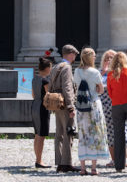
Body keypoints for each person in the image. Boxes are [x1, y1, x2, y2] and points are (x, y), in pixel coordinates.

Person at [74, 47, 108, 175]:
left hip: (81, 107)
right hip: (94, 104)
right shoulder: (95, 72)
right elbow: (101, 90)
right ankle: (93, 168)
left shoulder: (76, 71)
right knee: (95, 134)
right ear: (90, 57)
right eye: (93, 55)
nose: (95, 57)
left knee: (83, 134)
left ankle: (83, 168)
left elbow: (76, 86)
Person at [107, 51, 127, 173]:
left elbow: (109, 92)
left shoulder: (111, 74)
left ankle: (119, 165)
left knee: (118, 134)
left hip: (116, 106)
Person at [49, 44, 80, 173]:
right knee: (68, 133)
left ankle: (60, 162)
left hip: (57, 103)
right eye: (75, 55)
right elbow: (67, 88)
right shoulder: (66, 67)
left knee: (59, 133)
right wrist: (71, 107)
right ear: (70, 54)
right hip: (65, 104)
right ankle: (66, 163)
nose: (75, 58)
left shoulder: (56, 66)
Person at [100, 49, 122, 168]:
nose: (109, 60)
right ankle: (114, 159)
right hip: (105, 107)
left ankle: (125, 158)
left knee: (122, 131)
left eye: (111, 58)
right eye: (106, 58)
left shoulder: (119, 72)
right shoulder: (100, 73)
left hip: (117, 104)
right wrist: (104, 71)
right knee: (110, 133)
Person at [31, 56, 52, 169]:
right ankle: (39, 160)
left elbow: (33, 95)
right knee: (41, 135)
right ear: (47, 68)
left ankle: (38, 158)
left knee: (37, 134)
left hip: (34, 105)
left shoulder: (35, 78)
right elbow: (49, 95)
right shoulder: (45, 80)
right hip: (42, 108)